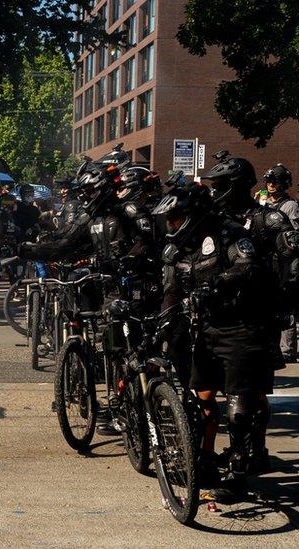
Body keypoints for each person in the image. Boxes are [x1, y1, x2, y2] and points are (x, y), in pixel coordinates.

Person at [154, 179, 276, 503]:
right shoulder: (176, 250)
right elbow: (172, 290)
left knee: (238, 406)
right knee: (202, 399)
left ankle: (238, 473)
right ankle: (205, 459)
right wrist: (165, 320)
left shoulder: (230, 233)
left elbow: (249, 268)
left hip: (241, 327)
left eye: (175, 218)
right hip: (206, 331)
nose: (171, 225)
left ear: (192, 213)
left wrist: (220, 283)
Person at [261, 164, 299, 360]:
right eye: (268, 181)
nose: (271, 185)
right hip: (267, 260)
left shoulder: (290, 206)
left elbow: (294, 237)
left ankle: (287, 349)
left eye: (274, 181)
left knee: (285, 303)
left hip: (284, 262)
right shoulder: (262, 203)